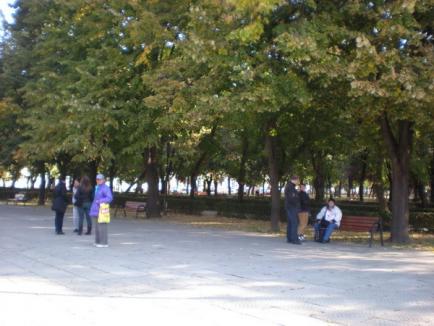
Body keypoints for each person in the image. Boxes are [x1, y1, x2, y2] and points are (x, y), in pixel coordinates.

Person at [89, 174, 113, 247]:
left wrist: (100, 201)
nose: (98, 180)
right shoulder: (97, 187)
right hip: (96, 209)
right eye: (97, 179)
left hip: (102, 210)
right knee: (97, 227)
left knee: (102, 226)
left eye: (100, 179)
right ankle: (97, 241)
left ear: (104, 180)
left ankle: (104, 243)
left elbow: (109, 198)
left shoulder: (105, 188)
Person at [284, 175, 301, 245]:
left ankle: (290, 238)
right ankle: (294, 239)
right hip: (292, 207)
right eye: (298, 180)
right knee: (294, 223)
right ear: (295, 180)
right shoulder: (290, 187)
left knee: (290, 223)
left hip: (290, 207)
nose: (298, 182)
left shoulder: (290, 186)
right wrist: (297, 203)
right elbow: (292, 198)